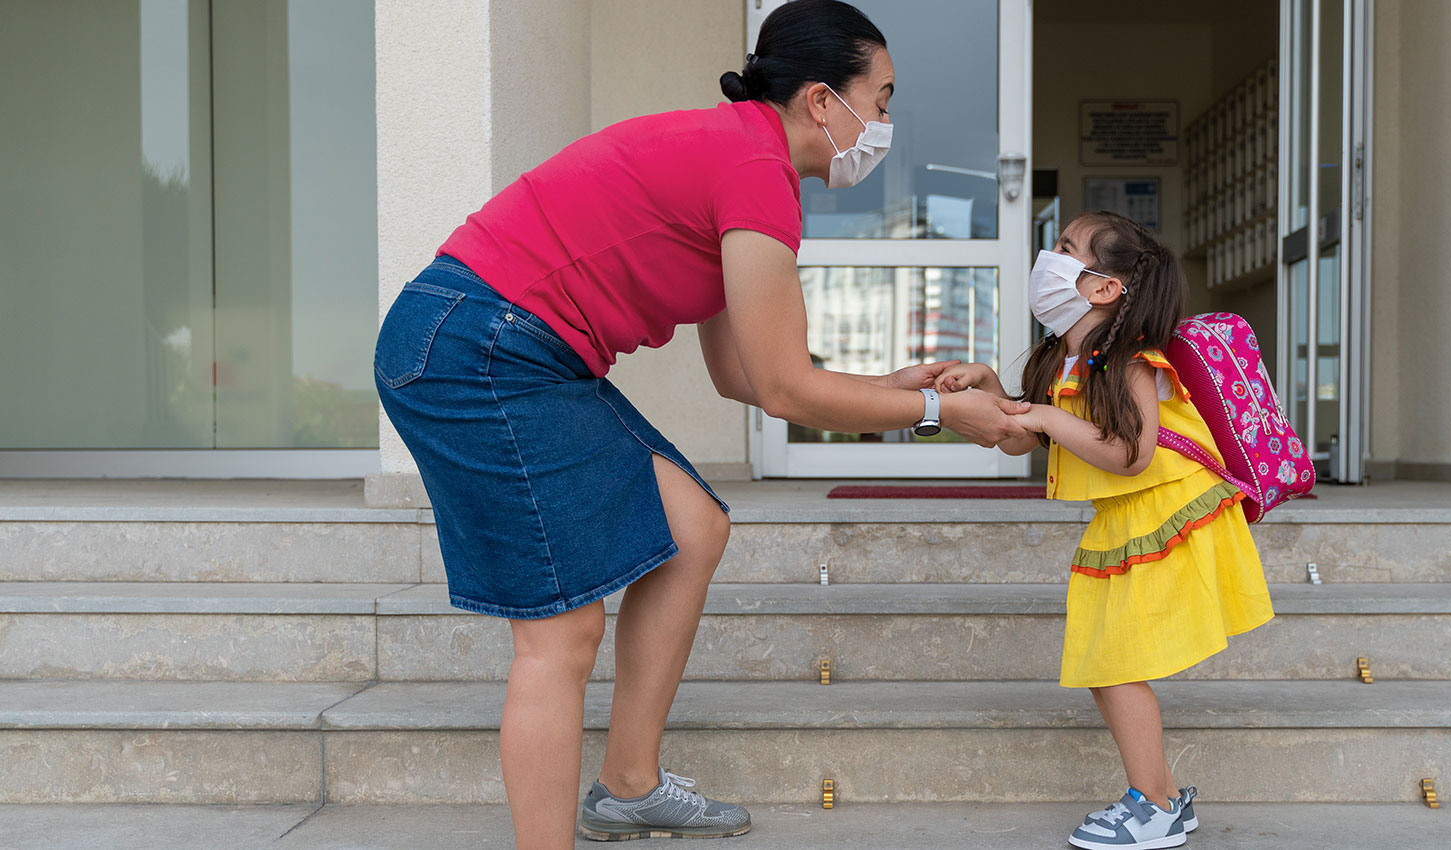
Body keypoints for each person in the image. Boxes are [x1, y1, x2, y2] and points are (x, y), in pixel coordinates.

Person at [372, 1, 1027, 846]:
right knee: (561, 632)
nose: (885, 122)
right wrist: (939, 410)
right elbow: (786, 392)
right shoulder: (753, 171)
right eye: (883, 98)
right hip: (477, 346)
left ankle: (628, 786)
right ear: (822, 100)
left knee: (692, 527)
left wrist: (889, 387)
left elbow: (742, 376)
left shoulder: (741, 156)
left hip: (501, 342)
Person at [935, 211, 1276, 850]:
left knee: (1116, 661)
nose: (1049, 258)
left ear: (1103, 287)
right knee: (1103, 660)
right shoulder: (1060, 358)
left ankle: (1155, 807)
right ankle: (1166, 797)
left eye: (1066, 248)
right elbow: (1020, 440)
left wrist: (1042, 417)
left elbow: (1130, 454)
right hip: (1125, 520)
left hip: (1170, 511)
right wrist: (987, 387)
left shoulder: (1131, 360)